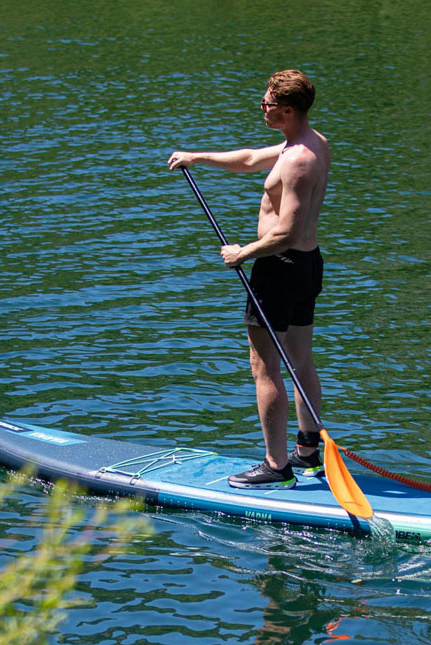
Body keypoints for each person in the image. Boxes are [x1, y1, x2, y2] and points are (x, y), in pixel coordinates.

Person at [168, 69, 329, 489]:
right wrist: (196, 157)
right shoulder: (310, 143)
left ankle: (276, 466)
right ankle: (309, 453)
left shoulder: (296, 162)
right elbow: (251, 159)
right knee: (300, 359)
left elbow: (286, 233)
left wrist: (243, 252)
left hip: (280, 268)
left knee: (265, 366)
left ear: (288, 109)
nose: (262, 106)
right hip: (307, 266)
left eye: (268, 102)